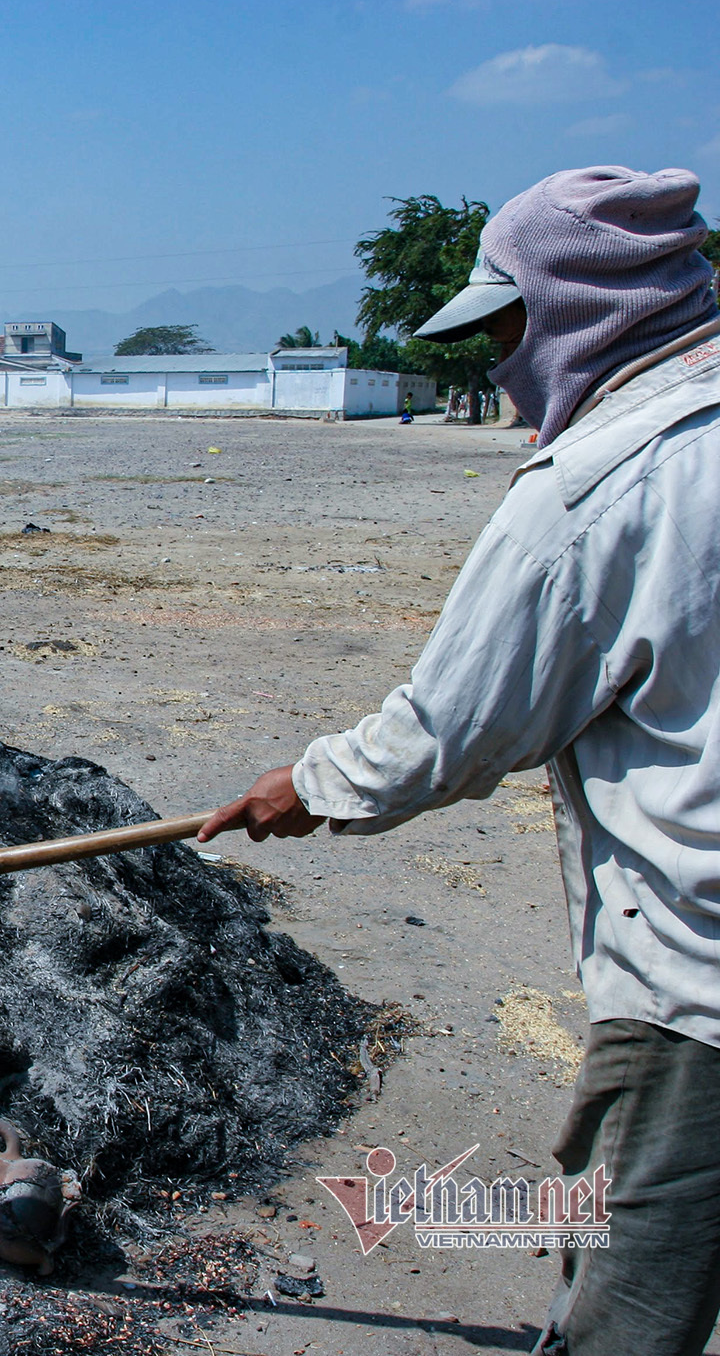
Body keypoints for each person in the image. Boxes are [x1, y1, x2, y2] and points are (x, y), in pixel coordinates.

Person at [201, 165, 720, 1356]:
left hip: (699, 985)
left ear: (576, 309)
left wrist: (307, 788)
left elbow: (449, 728)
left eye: (502, 329)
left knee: (626, 1309)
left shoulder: (595, 491)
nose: (494, 362)